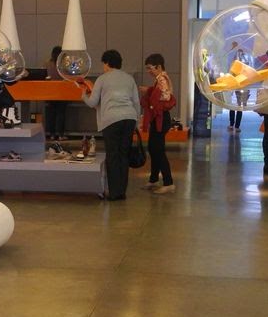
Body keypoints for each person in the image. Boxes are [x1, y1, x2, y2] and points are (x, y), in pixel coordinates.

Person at [78, 49, 141, 201]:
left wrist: (83, 95)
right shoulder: (129, 78)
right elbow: (136, 102)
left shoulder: (102, 79)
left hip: (111, 120)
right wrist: (136, 122)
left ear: (107, 63)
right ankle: (122, 192)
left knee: (112, 156)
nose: (103, 67)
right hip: (129, 118)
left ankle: (114, 193)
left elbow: (93, 102)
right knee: (123, 155)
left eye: (103, 64)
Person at [139, 53, 175, 193]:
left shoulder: (162, 79)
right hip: (159, 118)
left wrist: (149, 91)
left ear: (158, 67)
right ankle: (154, 179)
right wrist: (150, 90)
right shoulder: (159, 79)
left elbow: (166, 97)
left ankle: (168, 182)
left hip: (161, 118)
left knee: (157, 150)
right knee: (153, 148)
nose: (149, 71)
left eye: (150, 68)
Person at [45, 45, 69, 140]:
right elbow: (69, 77)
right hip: (62, 92)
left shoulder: (48, 64)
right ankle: (60, 135)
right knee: (61, 113)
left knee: (51, 113)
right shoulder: (64, 64)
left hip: (50, 92)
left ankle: (51, 134)